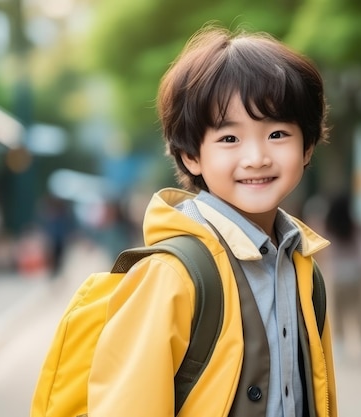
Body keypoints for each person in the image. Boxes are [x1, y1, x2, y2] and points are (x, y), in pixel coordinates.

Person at [87, 26, 338, 416]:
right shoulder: (171, 275)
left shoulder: (303, 266)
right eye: (229, 139)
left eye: (276, 133)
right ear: (191, 155)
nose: (256, 157)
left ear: (306, 147)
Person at [324, 192, 361, 361]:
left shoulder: (330, 226)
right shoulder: (356, 226)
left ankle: (340, 346)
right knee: (360, 310)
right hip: (356, 274)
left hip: (338, 274)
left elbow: (327, 251)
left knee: (338, 312)